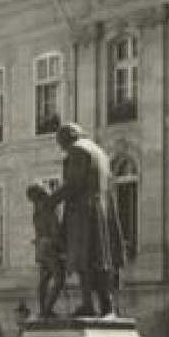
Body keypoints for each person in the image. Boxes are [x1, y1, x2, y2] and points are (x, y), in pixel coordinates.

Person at [46, 122, 126, 318]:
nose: (62, 148)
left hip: (84, 213)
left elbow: (74, 183)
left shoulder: (77, 150)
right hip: (103, 211)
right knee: (100, 260)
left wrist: (51, 200)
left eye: (61, 142)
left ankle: (95, 306)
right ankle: (104, 306)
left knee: (84, 260)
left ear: (69, 137)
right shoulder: (101, 153)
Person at [26, 182, 66, 319]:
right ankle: (47, 309)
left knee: (44, 280)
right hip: (50, 247)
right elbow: (55, 230)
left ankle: (43, 309)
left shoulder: (36, 212)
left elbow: (39, 231)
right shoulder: (49, 208)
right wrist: (62, 248)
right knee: (59, 279)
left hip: (40, 248)